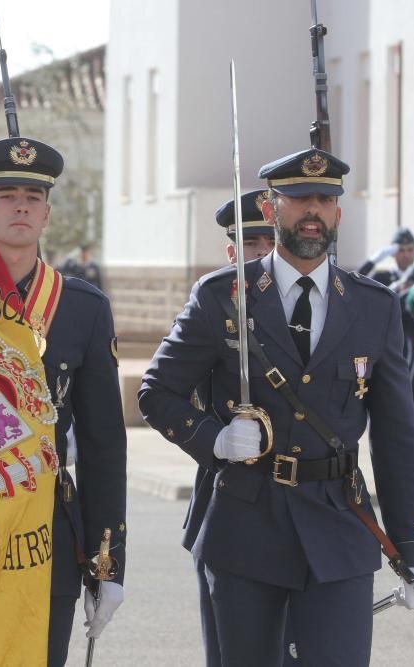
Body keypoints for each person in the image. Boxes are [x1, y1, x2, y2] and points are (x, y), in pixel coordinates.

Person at [139, 148, 414, 666]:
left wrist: (410, 547)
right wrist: (215, 439)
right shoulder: (223, 296)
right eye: (298, 200)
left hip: (338, 526)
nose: (312, 211)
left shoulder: (373, 306)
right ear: (272, 211)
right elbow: (157, 390)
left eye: (324, 200)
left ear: (338, 213)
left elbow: (398, 436)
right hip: (245, 526)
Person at [0, 137, 128, 667]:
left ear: (47, 213)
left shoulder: (82, 308)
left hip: (46, 529)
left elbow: (104, 444)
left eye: (32, 197)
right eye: (5, 193)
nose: (19, 206)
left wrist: (110, 563)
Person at [188, 188, 298, 665]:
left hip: (307, 503)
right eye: (249, 245)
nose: (261, 254)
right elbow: (174, 391)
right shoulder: (215, 302)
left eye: (268, 241)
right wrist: (215, 435)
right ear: (232, 252)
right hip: (232, 492)